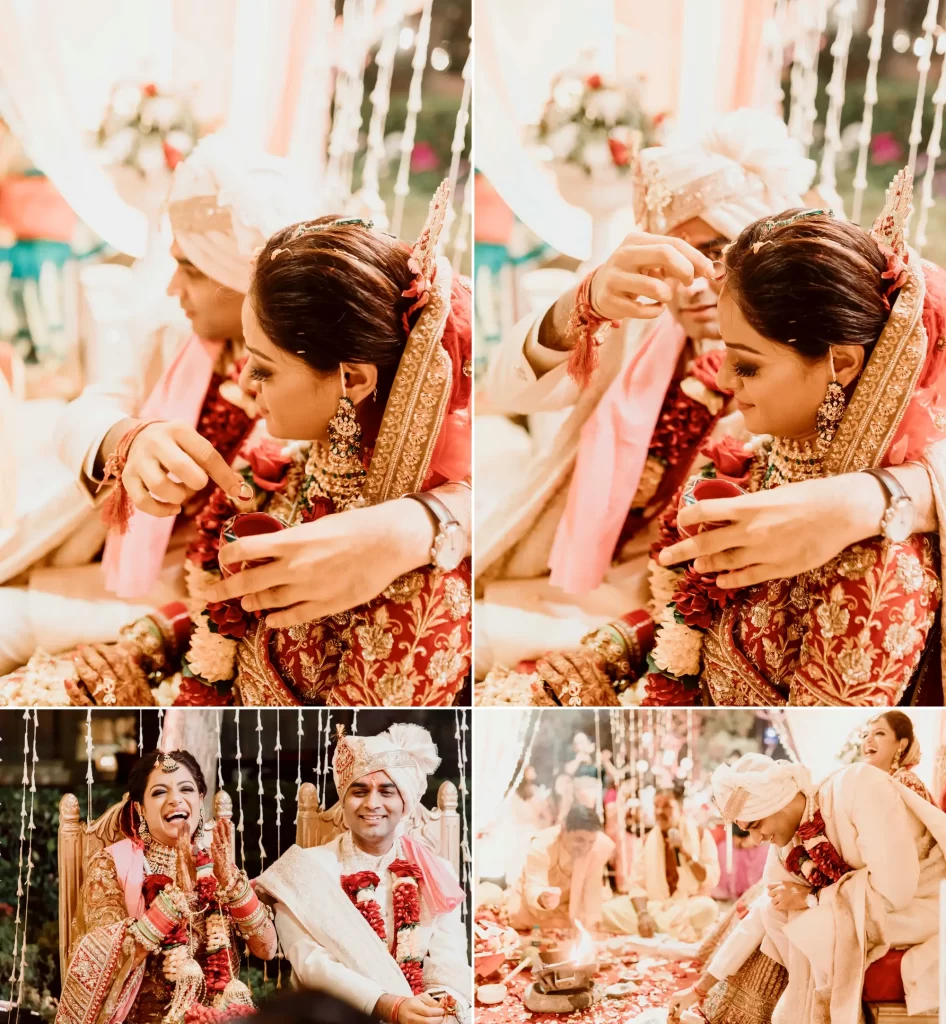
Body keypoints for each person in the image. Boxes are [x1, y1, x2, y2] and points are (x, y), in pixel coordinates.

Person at [476, 110, 946, 698]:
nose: (697, 282)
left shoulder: (823, 352)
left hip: (659, 613)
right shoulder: (640, 320)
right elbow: (505, 387)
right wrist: (586, 297)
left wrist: (873, 497)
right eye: (678, 256)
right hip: (576, 582)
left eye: (719, 252)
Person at [38, 179, 473, 706]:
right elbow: (218, 612)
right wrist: (142, 647)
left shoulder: (397, 559)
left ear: (352, 381)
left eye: (263, 368)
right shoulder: (277, 452)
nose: (244, 384)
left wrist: (151, 708)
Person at [670, 753, 946, 1022]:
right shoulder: (787, 844)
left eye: (755, 825)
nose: (756, 839)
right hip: (868, 911)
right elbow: (764, 912)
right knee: (776, 916)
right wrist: (699, 989)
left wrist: (812, 898)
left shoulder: (857, 786)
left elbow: (896, 890)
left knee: (805, 924)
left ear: (778, 801)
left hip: (924, 902)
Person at [255, 723, 471, 1024]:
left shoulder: (436, 871)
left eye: (386, 792)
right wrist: (389, 1006)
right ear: (344, 800)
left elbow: (450, 960)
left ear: (404, 803)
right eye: (359, 791)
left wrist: (441, 1006)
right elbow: (311, 964)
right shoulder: (305, 871)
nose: (372, 804)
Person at [56, 749, 277, 1024]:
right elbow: (103, 961)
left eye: (186, 789)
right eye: (159, 792)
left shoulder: (215, 864)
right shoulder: (111, 864)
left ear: (200, 800)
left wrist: (233, 883)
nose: (175, 799)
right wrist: (174, 901)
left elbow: (266, 949)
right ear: (140, 809)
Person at [601, 789, 719, 942]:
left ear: (680, 808)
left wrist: (683, 851)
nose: (659, 811)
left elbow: (709, 878)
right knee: (605, 911)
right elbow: (636, 885)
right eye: (656, 806)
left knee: (708, 909)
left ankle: (656, 927)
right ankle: (669, 927)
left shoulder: (700, 834)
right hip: (654, 906)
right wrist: (643, 914)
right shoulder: (646, 840)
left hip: (686, 904)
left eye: (666, 807)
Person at [506, 804, 614, 931]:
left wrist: (591, 923)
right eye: (579, 840)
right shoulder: (543, 844)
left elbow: (592, 889)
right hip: (529, 908)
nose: (585, 847)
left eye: (590, 842)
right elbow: (534, 884)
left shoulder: (599, 846)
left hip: (564, 913)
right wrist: (542, 898)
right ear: (563, 830)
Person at [861, 710, 933, 802]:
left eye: (879, 733)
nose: (868, 740)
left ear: (902, 744)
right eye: (865, 735)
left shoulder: (907, 781)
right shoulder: (865, 782)